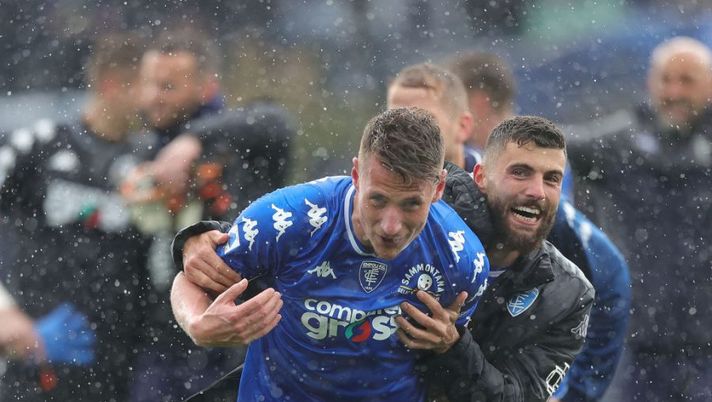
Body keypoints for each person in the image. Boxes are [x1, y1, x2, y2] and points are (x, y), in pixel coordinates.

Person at [171, 107, 490, 401]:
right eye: (378, 200)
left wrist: (451, 345)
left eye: (411, 204)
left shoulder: (461, 260)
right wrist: (197, 323)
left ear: (437, 189)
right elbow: (192, 277)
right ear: (356, 175)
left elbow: (451, 374)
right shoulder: (287, 219)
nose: (391, 226)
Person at [448, 51, 630, 402]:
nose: (536, 189)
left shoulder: (536, 178)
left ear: (477, 102)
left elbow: (608, 276)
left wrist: (577, 393)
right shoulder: (446, 187)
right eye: (520, 173)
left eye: (550, 180)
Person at [125, 27, 295, 402]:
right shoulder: (144, 150)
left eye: (168, 87)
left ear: (206, 88)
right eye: (149, 84)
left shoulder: (243, 139)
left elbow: (276, 122)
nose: (154, 97)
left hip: (241, 337)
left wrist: (193, 140)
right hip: (163, 339)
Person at [0, 33, 151, 401]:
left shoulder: (153, 162)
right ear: (113, 84)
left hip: (120, 371)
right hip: (31, 367)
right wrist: (3, 314)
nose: (156, 99)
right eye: (149, 85)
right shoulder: (34, 145)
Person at [566, 36, 712, 401]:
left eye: (687, 80)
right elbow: (549, 150)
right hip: (632, 341)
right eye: (666, 79)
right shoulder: (619, 144)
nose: (674, 91)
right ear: (651, 82)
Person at [386, 63, 472, 169]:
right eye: (394, 121)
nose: (404, 134)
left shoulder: (492, 183)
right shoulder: (366, 181)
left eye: (423, 121)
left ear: (463, 126)